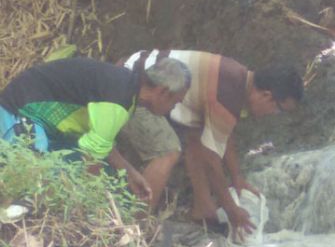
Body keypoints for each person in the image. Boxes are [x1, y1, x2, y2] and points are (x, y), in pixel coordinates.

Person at [117, 50, 303, 240]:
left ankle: (203, 211)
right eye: (279, 110)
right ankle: (134, 230)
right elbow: (211, 161)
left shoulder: (238, 81)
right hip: (136, 86)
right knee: (167, 152)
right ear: (267, 96)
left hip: (138, 73)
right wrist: (232, 211)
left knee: (197, 139)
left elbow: (222, 135)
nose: (273, 115)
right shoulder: (228, 94)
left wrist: (236, 177)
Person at [0, 57, 191, 201]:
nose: (173, 108)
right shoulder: (119, 100)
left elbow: (101, 144)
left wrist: (130, 172)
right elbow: (90, 157)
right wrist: (96, 203)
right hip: (19, 113)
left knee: (107, 174)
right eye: (175, 102)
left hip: (47, 126)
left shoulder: (127, 89)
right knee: (35, 180)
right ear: (163, 92)